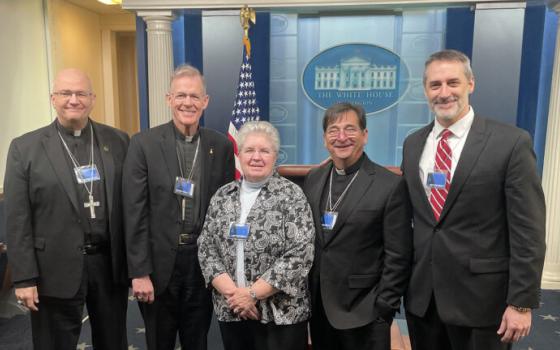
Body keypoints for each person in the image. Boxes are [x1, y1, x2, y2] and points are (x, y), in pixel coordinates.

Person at [401, 49, 546, 350]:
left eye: (453, 82)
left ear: (471, 84)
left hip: (483, 301)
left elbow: (528, 231)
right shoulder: (413, 144)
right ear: (426, 90)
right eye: (435, 85)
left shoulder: (511, 142)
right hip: (424, 300)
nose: (444, 93)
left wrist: (521, 302)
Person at [4, 68, 129, 349]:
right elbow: (17, 219)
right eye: (65, 93)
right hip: (54, 268)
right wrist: (23, 278)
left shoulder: (118, 141)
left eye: (81, 93)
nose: (73, 99)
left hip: (108, 265)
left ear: (92, 98)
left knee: (114, 341)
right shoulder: (25, 148)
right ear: (53, 98)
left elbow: (130, 207)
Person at [123, 64, 235, 350]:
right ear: (169, 99)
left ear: (205, 102)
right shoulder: (143, 144)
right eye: (181, 95)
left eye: (195, 96)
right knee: (159, 340)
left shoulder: (220, 146)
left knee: (197, 339)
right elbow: (134, 212)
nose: (188, 102)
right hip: (158, 265)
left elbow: (225, 210)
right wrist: (139, 272)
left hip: (201, 263)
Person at [304, 102, 412, 350]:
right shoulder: (313, 179)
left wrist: (383, 307)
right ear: (324, 139)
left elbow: (399, 254)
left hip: (365, 311)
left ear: (365, 135)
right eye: (333, 130)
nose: (341, 137)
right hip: (320, 310)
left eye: (350, 129)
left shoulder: (389, 185)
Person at [198, 121, 315, 350]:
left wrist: (252, 294)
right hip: (233, 310)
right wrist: (237, 297)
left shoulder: (292, 196)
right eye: (249, 150)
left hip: (281, 315)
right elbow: (206, 249)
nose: (256, 157)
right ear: (239, 154)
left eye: (264, 150)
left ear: (275, 156)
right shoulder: (223, 196)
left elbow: (300, 254)